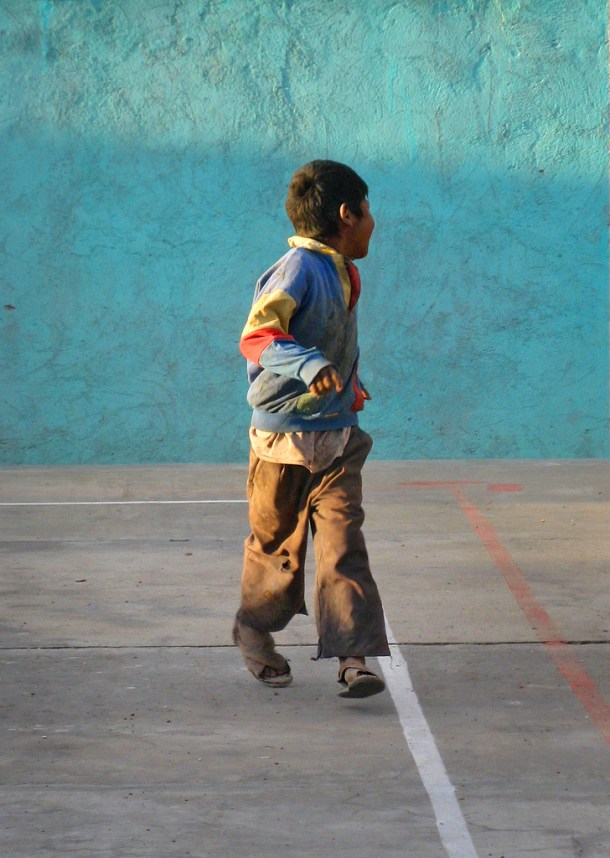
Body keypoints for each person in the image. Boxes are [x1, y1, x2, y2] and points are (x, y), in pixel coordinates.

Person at [232, 159, 390, 699]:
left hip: (339, 440)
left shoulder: (344, 270)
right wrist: (308, 367)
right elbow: (257, 337)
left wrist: (347, 385)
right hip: (282, 443)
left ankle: (353, 656)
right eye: (369, 212)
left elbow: (335, 343)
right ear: (347, 214)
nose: (373, 223)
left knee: (344, 547)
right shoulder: (296, 270)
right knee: (278, 549)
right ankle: (254, 628)